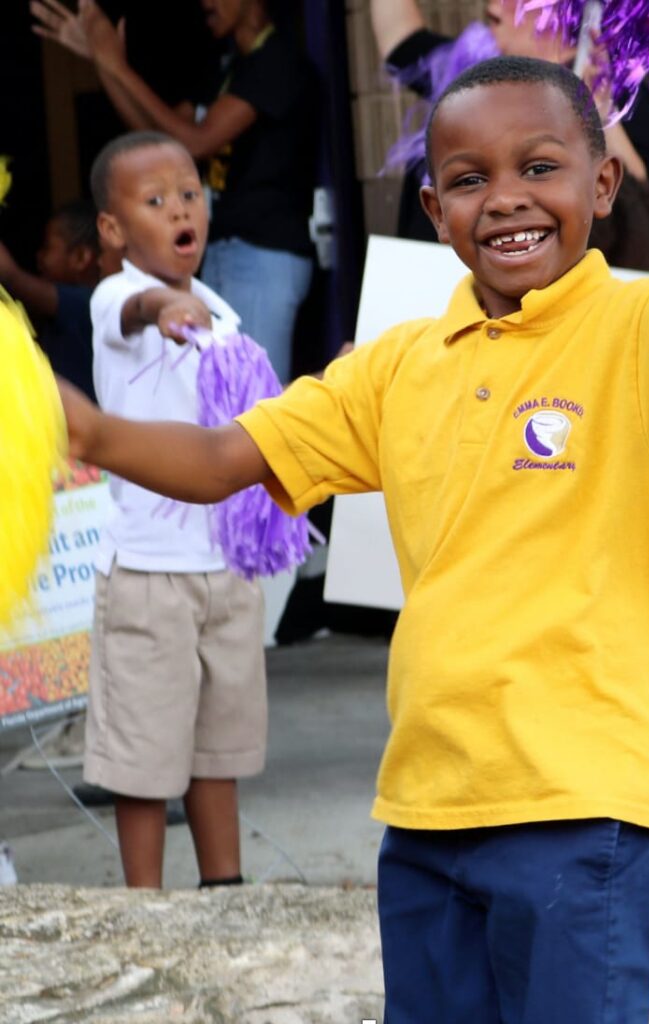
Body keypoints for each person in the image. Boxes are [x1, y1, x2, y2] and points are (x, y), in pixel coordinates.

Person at [58, 58, 649, 1019]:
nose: (506, 200)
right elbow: (224, 456)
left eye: (539, 168)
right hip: (426, 805)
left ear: (603, 182)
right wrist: (82, 430)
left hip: (587, 801)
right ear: (432, 207)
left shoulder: (636, 325)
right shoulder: (394, 370)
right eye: (469, 180)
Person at [79, 129, 267, 889]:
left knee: (216, 749)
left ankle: (225, 891)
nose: (180, 208)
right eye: (154, 201)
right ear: (114, 229)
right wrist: (163, 308)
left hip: (224, 566)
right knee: (144, 755)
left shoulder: (220, 312)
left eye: (189, 193)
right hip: (150, 574)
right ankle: (144, 905)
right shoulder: (116, 296)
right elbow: (138, 309)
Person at [32, 0, 319, 383]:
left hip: (261, 252)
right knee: (224, 397)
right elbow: (160, 144)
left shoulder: (277, 60)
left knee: (251, 405)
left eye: (186, 195)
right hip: (227, 249)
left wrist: (115, 64)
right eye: (156, 200)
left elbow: (197, 143)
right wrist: (104, 63)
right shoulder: (228, 63)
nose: (204, 2)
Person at [372, 0, 649, 269]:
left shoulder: (619, 95)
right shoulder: (466, 77)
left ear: (569, 16)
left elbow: (641, 208)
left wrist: (599, 116)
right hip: (429, 296)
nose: (493, 7)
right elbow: (400, 39)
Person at [0, 199, 100, 401]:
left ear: (81, 257)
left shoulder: (87, 303)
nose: (39, 256)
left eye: (47, 247)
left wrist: (10, 273)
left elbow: (13, 278)